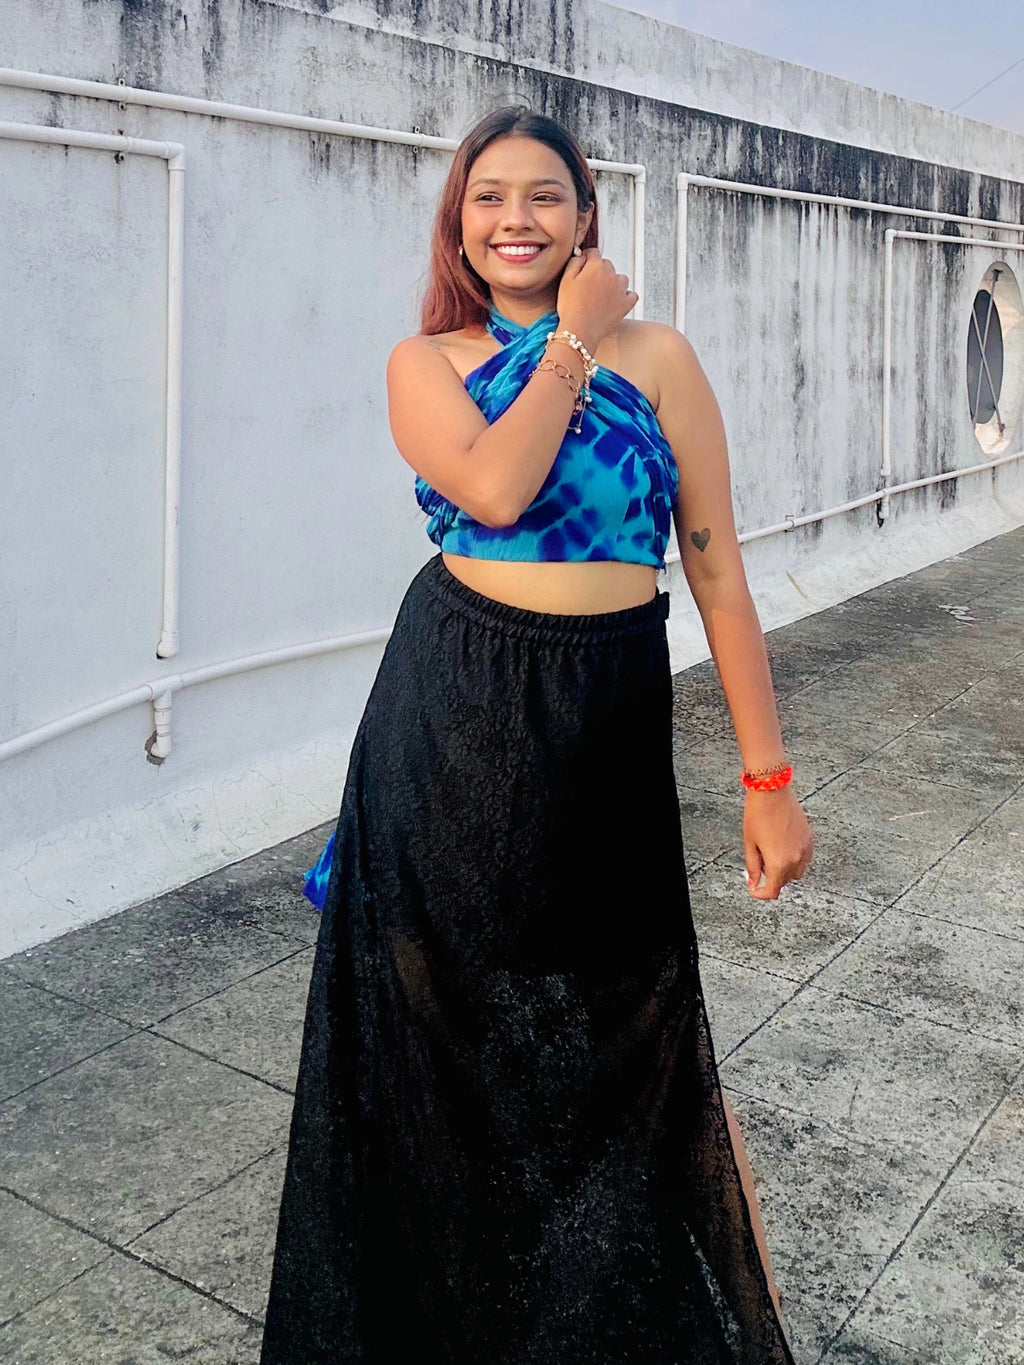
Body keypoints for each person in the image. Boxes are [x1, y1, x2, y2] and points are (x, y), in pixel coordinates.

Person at [260, 105, 813, 1365]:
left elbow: (718, 575)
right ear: (460, 223)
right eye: (489, 197)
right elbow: (498, 487)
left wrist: (766, 778)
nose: (517, 218)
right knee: (436, 1042)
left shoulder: (662, 359)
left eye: (545, 196)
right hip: (452, 713)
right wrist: (570, 337)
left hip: (605, 717)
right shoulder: (428, 363)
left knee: (636, 1035)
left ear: (584, 218)